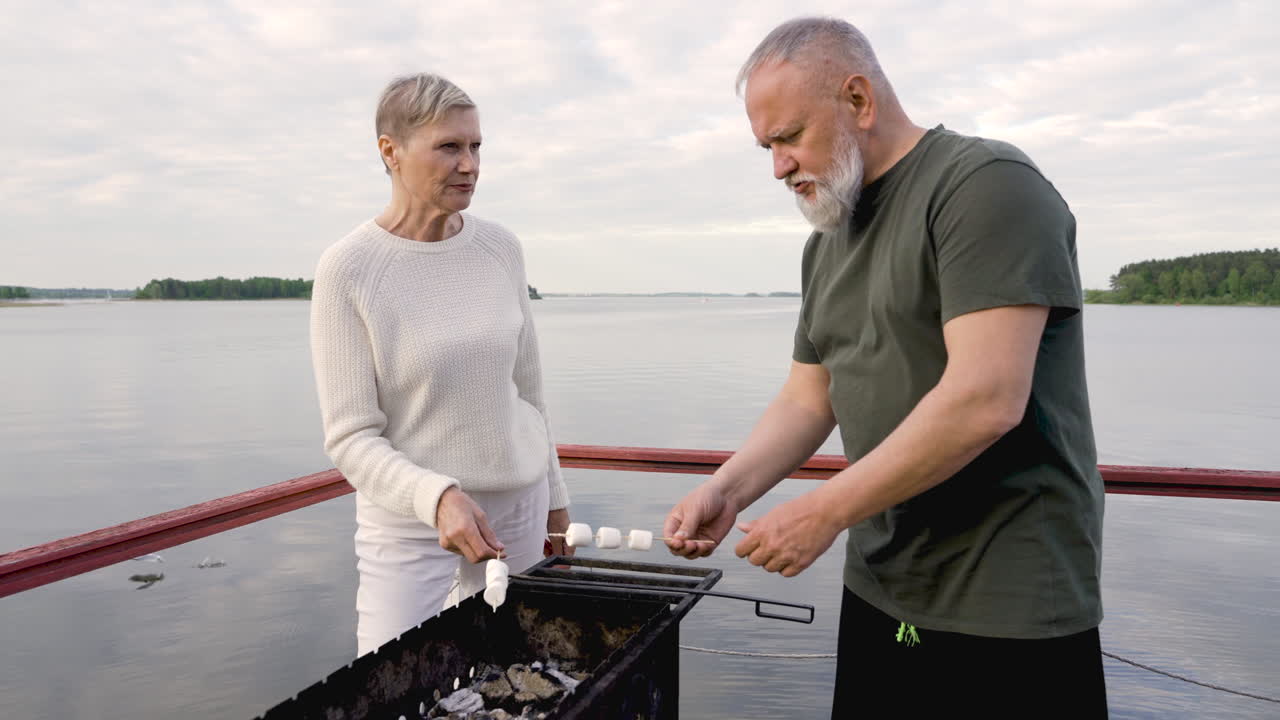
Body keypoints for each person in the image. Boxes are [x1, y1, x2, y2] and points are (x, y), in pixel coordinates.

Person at [663, 18, 1107, 718]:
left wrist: (825, 512)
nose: (778, 165)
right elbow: (810, 398)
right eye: (766, 146)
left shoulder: (985, 186)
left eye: (789, 137)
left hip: (1007, 603)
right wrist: (728, 491)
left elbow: (986, 397)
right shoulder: (829, 238)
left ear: (859, 101)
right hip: (879, 588)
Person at [309, 73, 571, 657]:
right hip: (411, 526)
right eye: (450, 147)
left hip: (520, 512)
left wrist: (555, 500)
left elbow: (529, 394)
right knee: (388, 683)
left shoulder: (501, 249)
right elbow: (350, 438)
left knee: (520, 678)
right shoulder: (348, 269)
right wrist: (438, 497)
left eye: (476, 146)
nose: (470, 164)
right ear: (390, 152)